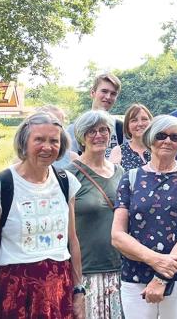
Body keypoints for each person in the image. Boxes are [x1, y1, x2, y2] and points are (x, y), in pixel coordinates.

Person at [0, 112, 84, 319]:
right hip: (14, 290)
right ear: (24, 143)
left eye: (54, 141)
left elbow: (73, 241)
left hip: (59, 288)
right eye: (39, 139)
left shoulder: (66, 182)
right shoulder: (1, 184)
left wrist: (78, 292)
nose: (47, 147)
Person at [111, 115, 177, 318]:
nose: (168, 141)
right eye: (161, 135)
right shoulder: (130, 178)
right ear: (150, 138)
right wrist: (155, 261)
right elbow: (118, 235)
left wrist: (161, 277)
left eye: (175, 137)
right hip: (136, 276)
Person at [66, 110, 126, 318]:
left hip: (120, 270)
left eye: (103, 130)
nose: (98, 135)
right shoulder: (69, 175)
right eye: (91, 131)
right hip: (86, 273)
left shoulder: (121, 173)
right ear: (81, 136)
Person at [62, 72, 123, 165]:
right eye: (104, 91)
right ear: (92, 93)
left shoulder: (121, 128)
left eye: (113, 94)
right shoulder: (74, 128)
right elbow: (67, 162)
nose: (108, 97)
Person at [109, 103, 152, 171]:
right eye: (134, 120)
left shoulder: (159, 148)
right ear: (127, 126)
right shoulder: (118, 151)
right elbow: (113, 179)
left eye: (144, 119)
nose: (140, 124)